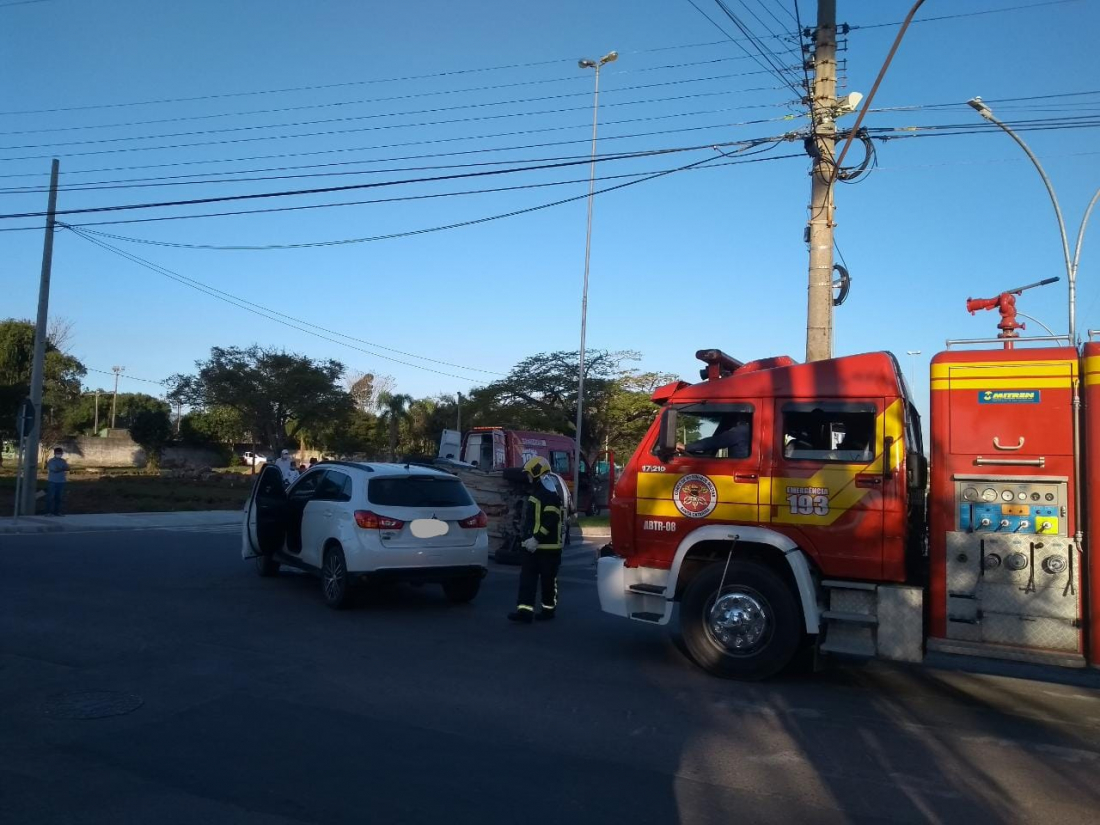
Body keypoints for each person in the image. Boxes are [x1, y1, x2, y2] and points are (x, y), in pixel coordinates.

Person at [508, 456, 565, 624]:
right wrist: (526, 539)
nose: (528, 478)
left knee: (548, 580)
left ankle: (548, 610)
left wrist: (536, 538)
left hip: (548, 548)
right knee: (527, 579)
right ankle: (524, 612)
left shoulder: (549, 494)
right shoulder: (537, 492)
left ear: (536, 472)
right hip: (532, 546)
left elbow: (551, 518)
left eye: (529, 474)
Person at [45, 447, 69, 516]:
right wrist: (63, 468)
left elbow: (68, 468)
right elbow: (55, 470)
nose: (59, 454)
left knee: (59, 498)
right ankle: (48, 512)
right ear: (55, 453)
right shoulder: (51, 461)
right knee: (50, 497)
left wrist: (61, 468)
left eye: (60, 453)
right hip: (52, 481)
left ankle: (57, 512)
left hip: (61, 481)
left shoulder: (63, 461)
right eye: (58, 453)